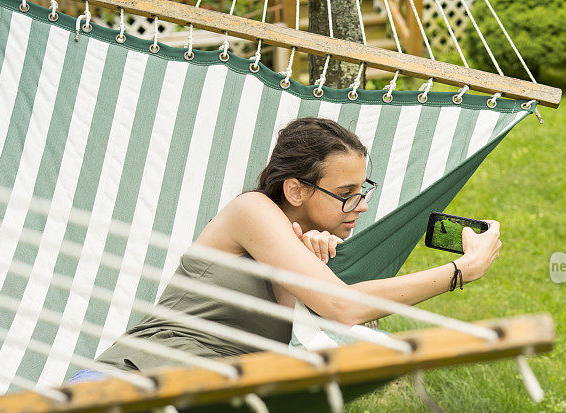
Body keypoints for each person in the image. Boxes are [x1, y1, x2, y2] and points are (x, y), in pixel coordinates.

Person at [74, 117, 502, 379]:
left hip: (196, 398)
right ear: (295, 189)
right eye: (346, 192)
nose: (362, 204)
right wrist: (460, 271)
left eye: (364, 189)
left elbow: (326, 333)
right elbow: (345, 307)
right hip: (130, 381)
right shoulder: (252, 211)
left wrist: (309, 263)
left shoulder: (303, 247)